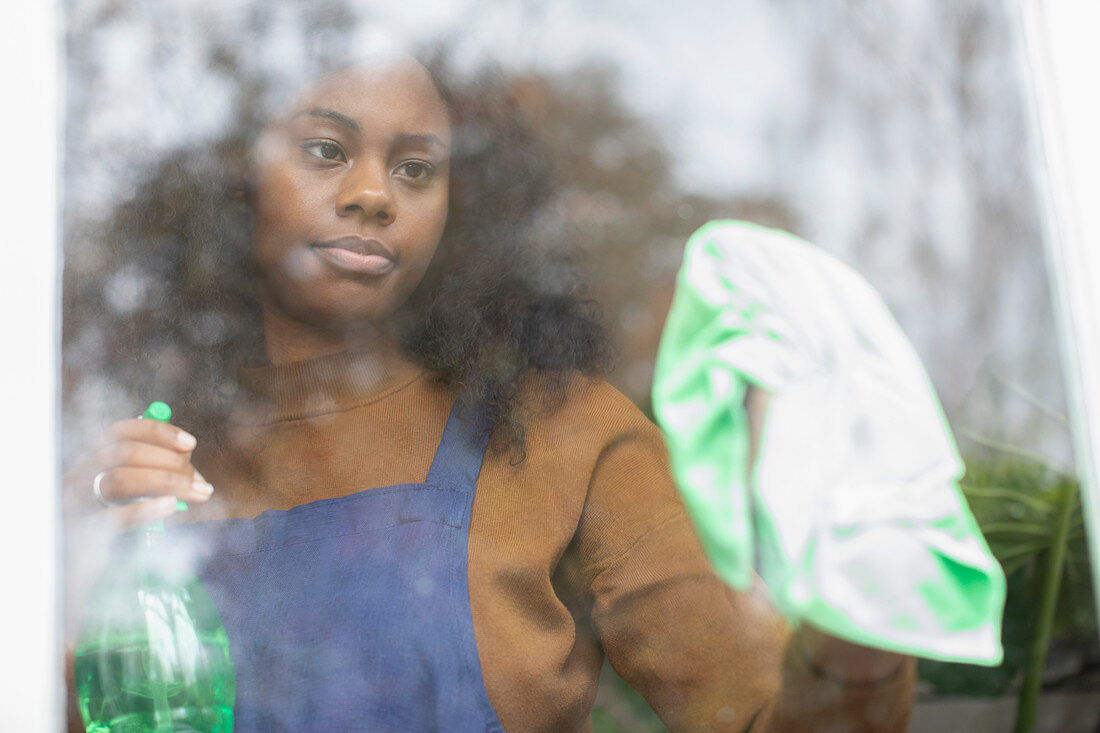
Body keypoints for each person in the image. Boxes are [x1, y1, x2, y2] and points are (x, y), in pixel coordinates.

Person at [65, 51, 914, 731]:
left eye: (416, 169)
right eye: (326, 150)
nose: (370, 194)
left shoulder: (562, 433)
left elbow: (754, 717)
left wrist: (866, 599)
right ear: (233, 182)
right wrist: (75, 548)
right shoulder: (146, 457)